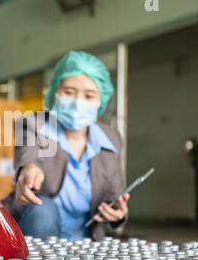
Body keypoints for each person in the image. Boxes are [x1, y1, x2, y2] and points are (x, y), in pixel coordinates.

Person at [7, 51, 130, 241]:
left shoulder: (110, 138)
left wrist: (117, 214)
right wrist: (29, 170)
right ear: (55, 91)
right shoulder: (34, 124)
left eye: (89, 96)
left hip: (85, 242)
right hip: (36, 233)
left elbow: (114, 197)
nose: (77, 102)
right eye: (69, 92)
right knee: (43, 209)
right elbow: (28, 157)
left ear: (101, 101)